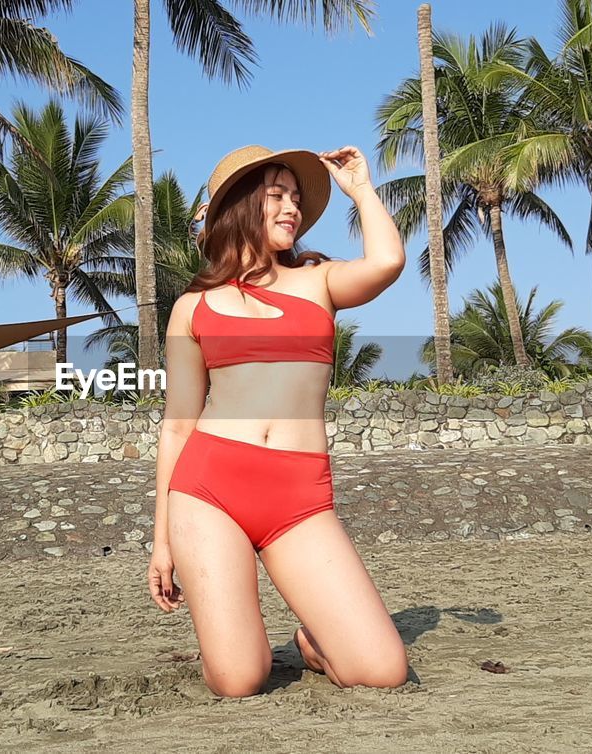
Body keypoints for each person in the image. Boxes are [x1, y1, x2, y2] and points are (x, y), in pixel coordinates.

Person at [148, 144, 409, 697]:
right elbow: (177, 425)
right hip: (208, 490)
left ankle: (313, 643)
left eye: (295, 197)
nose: (292, 207)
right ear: (242, 205)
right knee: (239, 680)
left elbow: (387, 262)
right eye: (276, 196)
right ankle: (231, 643)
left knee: (383, 672)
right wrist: (162, 540)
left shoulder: (319, 281)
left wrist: (361, 188)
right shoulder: (193, 306)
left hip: (299, 496)